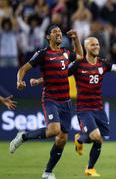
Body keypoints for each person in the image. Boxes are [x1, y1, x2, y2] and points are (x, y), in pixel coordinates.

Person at [31, 37, 116, 177]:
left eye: (97, 44)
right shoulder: (78, 64)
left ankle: (89, 167)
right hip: (84, 108)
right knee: (95, 136)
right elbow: (59, 75)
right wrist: (39, 80)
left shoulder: (103, 64)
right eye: (92, 45)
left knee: (99, 139)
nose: (96, 47)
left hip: (99, 108)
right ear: (86, 48)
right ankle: (79, 140)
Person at [9, 24, 83, 179]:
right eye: (54, 32)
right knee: (54, 130)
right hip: (50, 99)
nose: (58, 34)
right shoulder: (43, 54)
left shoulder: (66, 53)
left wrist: (76, 39)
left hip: (66, 101)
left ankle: (48, 172)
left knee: (62, 139)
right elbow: (22, 69)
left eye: (59, 32)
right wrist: (19, 81)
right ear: (48, 37)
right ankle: (23, 137)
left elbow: (81, 57)